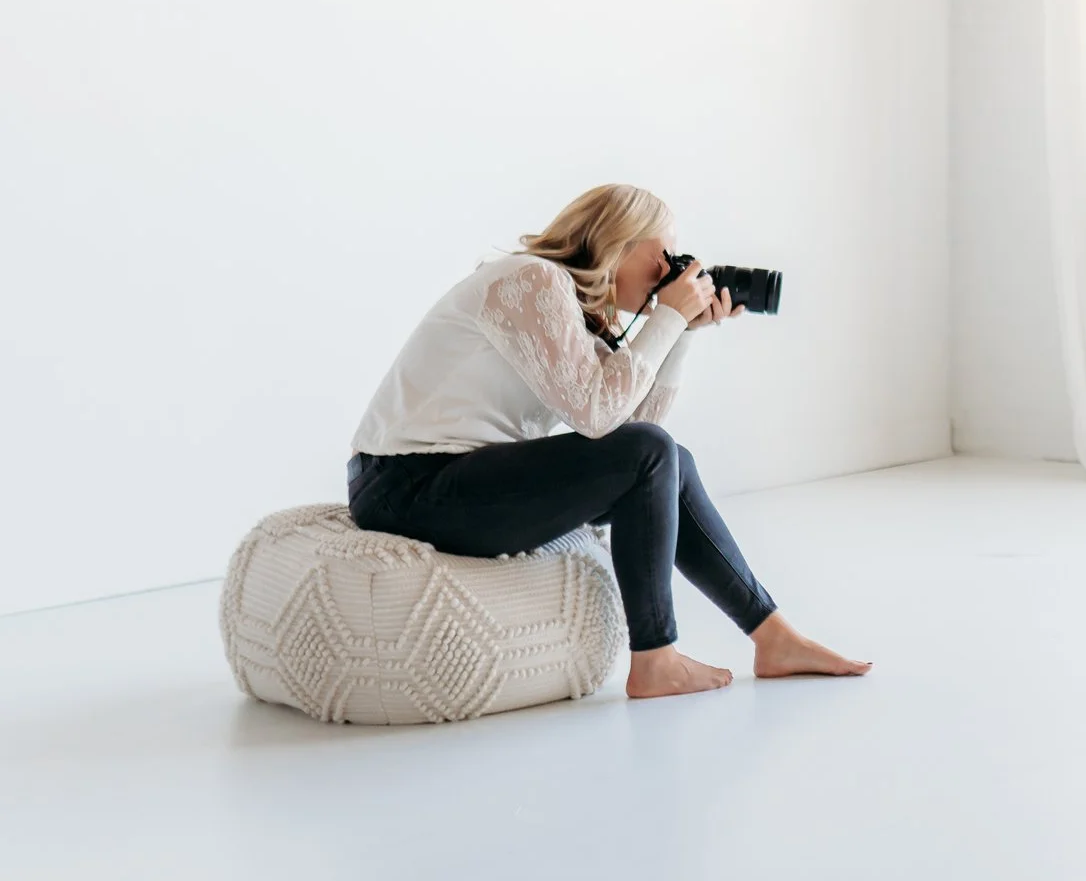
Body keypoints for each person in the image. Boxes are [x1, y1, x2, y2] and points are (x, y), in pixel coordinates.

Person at [345, 184, 871, 700]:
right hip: (406, 484)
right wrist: (668, 316)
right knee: (652, 453)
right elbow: (602, 420)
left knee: (671, 458)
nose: (669, 272)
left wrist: (682, 332)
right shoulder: (531, 279)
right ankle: (655, 658)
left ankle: (772, 637)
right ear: (618, 241)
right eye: (661, 256)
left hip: (456, 479)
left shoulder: (569, 309)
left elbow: (635, 425)